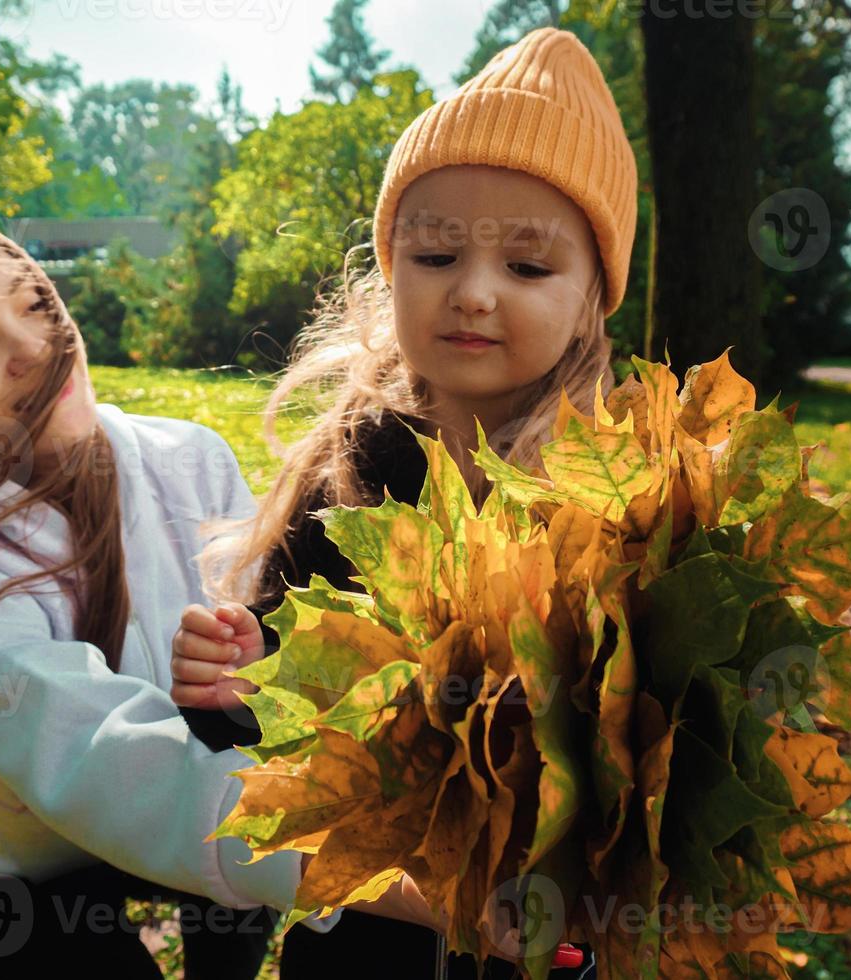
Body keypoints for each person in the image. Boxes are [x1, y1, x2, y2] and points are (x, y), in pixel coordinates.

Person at [0, 206, 446, 978]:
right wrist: (375, 861)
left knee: (237, 887)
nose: (31, 349)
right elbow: (100, 759)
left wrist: (252, 677)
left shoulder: (189, 457)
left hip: (203, 800)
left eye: (34, 303)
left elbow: (261, 671)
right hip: (31, 859)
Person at [172, 25, 638, 980]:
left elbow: (654, 740)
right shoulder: (351, 471)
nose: (472, 293)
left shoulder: (623, 493)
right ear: (390, 268)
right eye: (435, 257)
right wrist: (234, 681)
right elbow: (281, 699)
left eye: (527, 266)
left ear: (593, 297)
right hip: (362, 938)